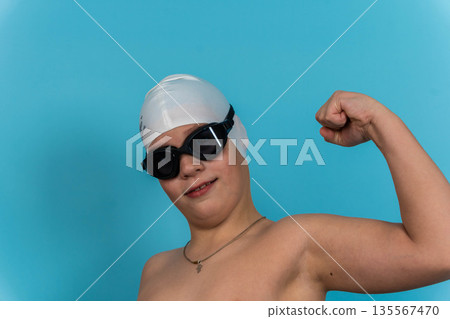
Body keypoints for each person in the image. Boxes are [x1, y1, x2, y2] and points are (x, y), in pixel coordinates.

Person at [136, 74, 450, 300]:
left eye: (204, 142)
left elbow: (441, 251)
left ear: (239, 140)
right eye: (164, 160)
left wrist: (378, 122)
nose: (189, 166)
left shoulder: (298, 242)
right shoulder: (155, 271)